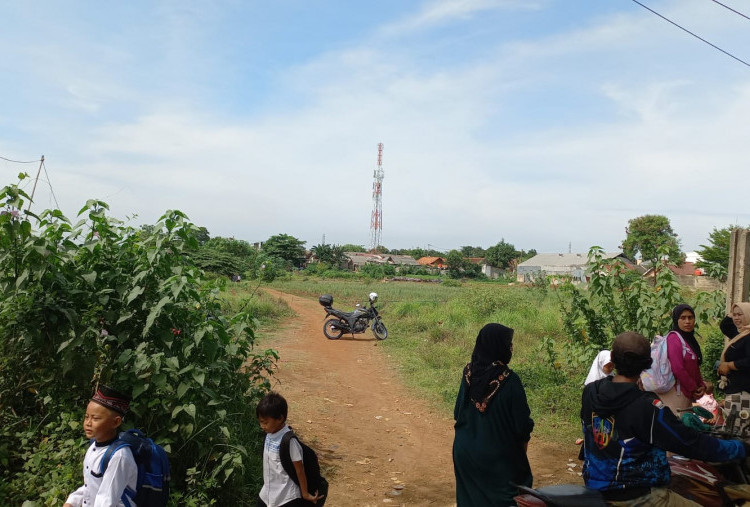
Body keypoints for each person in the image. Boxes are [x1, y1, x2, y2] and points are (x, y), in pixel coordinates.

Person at [581, 331, 748, 506]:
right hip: (637, 497)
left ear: (613, 358)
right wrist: (739, 448)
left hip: (596, 488)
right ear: (647, 363)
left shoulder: (591, 392)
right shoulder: (647, 407)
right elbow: (690, 443)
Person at [453, 323, 534, 506]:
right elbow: (522, 426)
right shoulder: (511, 380)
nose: (511, 347)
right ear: (499, 346)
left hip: (465, 453)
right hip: (500, 459)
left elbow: (458, 413)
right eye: (509, 343)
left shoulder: (468, 373)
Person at [64, 385, 138, 507]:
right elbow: (90, 487)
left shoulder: (119, 456)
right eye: (87, 417)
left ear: (116, 422)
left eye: (95, 418)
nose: (88, 423)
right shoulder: (93, 446)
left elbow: (106, 500)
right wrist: (72, 502)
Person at [256, 392, 322, 507]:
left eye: (265, 422)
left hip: (286, 497)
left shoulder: (289, 441)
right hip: (267, 494)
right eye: (260, 422)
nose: (262, 426)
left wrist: (305, 494)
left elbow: (299, 470)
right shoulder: (269, 435)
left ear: (280, 418)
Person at [658, 304, 706, 416]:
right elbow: (678, 368)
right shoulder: (674, 339)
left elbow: (694, 366)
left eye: (690, 317)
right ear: (676, 320)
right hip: (676, 393)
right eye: (683, 318)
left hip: (687, 393)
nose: (687, 321)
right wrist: (694, 388)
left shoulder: (689, 340)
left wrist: (701, 385)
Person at [717, 302, 750, 394]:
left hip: (744, 390)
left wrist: (729, 365)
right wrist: (732, 312)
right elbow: (724, 325)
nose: (736, 318)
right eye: (734, 315)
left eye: (740, 314)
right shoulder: (740, 333)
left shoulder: (748, 335)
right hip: (735, 387)